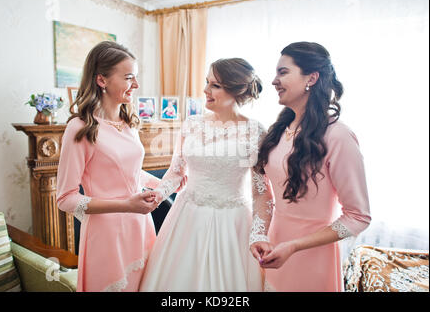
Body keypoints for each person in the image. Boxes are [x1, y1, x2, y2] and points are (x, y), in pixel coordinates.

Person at [249, 42, 371, 292]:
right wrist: (259, 235)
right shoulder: (278, 132)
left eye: (283, 72)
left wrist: (295, 246)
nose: (274, 81)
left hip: (312, 258)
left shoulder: (338, 136)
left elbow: (358, 217)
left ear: (312, 78)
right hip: (273, 251)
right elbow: (265, 194)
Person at [139, 58, 267, 291]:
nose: (205, 90)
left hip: (232, 223)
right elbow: (176, 173)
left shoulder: (255, 131)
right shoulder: (191, 124)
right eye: (207, 82)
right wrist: (158, 194)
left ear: (236, 89)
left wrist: (259, 235)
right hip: (186, 218)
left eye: (215, 85)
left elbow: (261, 193)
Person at [56, 41, 162, 292]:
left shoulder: (129, 123)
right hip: (106, 236)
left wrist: (165, 184)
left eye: (136, 77)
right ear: (102, 80)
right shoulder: (80, 127)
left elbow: (129, 175)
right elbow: (66, 199)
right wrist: (127, 205)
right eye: (128, 77)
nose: (136, 85)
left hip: (140, 227)